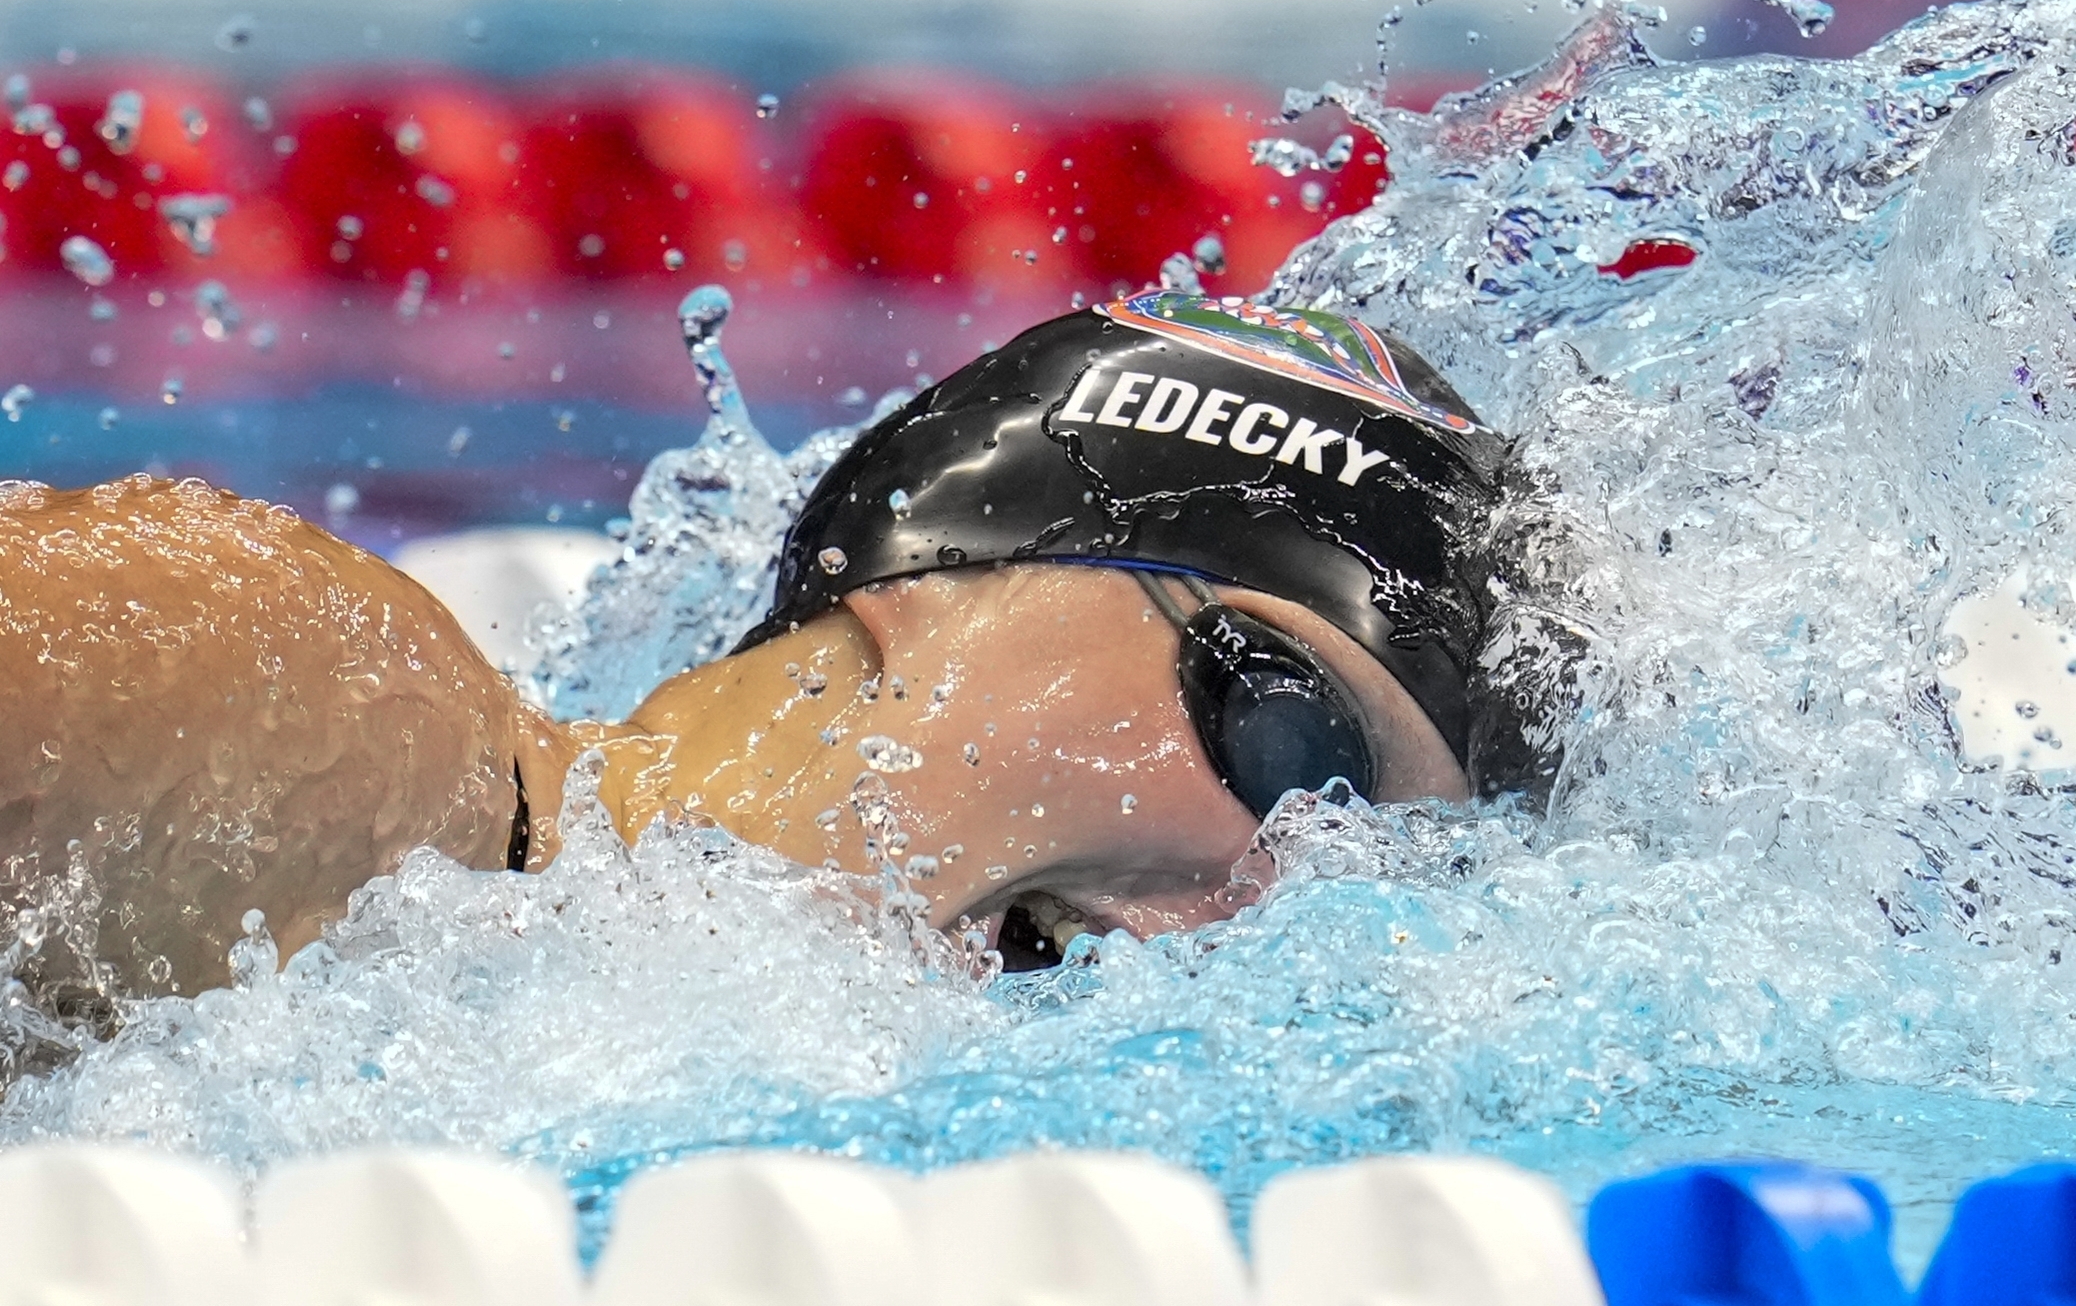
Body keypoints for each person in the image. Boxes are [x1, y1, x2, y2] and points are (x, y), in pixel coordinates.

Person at [0, 289, 1546, 1010]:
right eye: (1294, 751)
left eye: (1371, 883)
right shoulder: (338, 720)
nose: (1263, 913)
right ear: (949, 575)